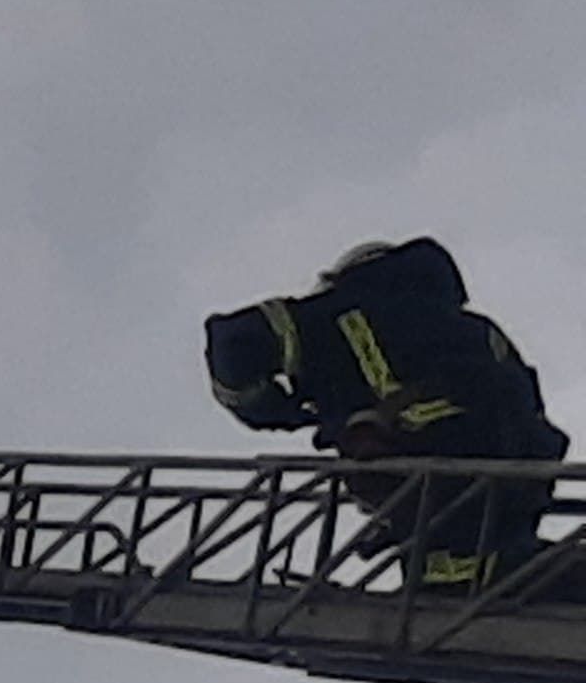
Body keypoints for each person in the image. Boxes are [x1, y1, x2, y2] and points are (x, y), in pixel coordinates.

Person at [203, 237, 569, 593]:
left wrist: (281, 410)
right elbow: (528, 413)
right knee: (497, 574)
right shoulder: (479, 330)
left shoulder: (335, 314)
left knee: (448, 582)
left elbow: (233, 344)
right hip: (513, 483)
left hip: (422, 472)